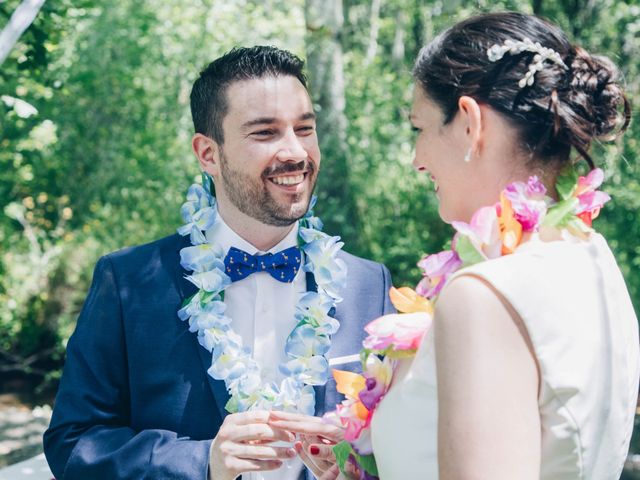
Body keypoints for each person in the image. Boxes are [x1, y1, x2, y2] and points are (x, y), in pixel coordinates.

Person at [272, 11, 640, 480]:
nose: (417, 160)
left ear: (469, 123)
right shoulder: (590, 256)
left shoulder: (484, 295)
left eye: (419, 129)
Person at [43, 46, 394, 480]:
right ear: (208, 154)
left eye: (304, 129)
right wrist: (203, 462)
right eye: (265, 133)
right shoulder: (128, 282)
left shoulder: (369, 285)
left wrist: (358, 462)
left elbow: (405, 440)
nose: (296, 152)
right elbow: (73, 443)